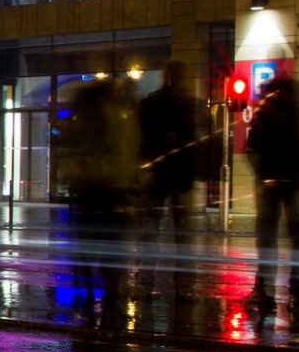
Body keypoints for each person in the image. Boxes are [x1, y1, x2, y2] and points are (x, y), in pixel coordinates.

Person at [58, 77, 138, 314]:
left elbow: (70, 156)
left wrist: (74, 176)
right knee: (111, 255)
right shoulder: (121, 120)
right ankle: (112, 303)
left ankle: (88, 303)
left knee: (86, 252)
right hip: (113, 194)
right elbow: (129, 154)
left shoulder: (85, 121)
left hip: (90, 193)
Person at [136, 60, 199, 297]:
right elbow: (191, 144)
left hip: (155, 173)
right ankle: (183, 287)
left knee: (150, 230)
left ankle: (145, 283)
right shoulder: (186, 105)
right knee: (182, 234)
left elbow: (141, 140)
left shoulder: (150, 104)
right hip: (178, 176)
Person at [246, 75, 299, 316]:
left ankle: (263, 287)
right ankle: (296, 283)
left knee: (267, 235)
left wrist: (261, 173)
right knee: (295, 234)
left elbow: (254, 145)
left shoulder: (265, 110)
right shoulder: (295, 110)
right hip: (290, 180)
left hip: (269, 179)